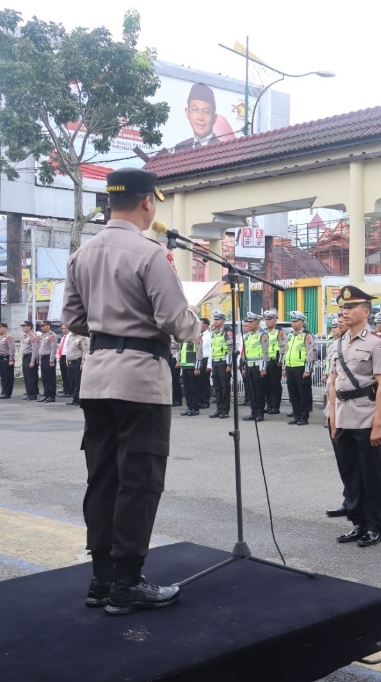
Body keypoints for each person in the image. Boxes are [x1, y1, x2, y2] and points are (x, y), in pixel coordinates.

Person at [62, 167, 201, 615]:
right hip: (141, 378)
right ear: (147, 202)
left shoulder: (84, 252)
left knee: (103, 476)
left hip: (97, 376)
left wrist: (110, 326)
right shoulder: (150, 253)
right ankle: (127, 584)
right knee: (139, 480)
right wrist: (195, 320)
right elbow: (178, 324)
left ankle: (101, 579)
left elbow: (73, 319)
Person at [328, 286, 381, 548]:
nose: (346, 311)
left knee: (370, 474)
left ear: (366, 312)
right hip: (343, 416)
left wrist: (378, 424)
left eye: (351, 307)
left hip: (366, 416)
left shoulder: (378, 343)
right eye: (344, 307)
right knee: (350, 473)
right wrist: (332, 418)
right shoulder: (339, 342)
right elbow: (333, 383)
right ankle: (357, 523)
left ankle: (375, 526)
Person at [325, 315, 354, 519]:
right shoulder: (335, 344)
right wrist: (329, 411)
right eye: (338, 320)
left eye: (344, 318)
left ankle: (356, 502)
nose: (340, 322)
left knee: (354, 461)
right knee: (342, 460)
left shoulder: (362, 343)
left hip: (352, 408)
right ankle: (348, 498)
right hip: (333, 407)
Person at [284, 311, 316, 425]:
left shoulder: (306, 335)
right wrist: (284, 367)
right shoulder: (290, 335)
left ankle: (303, 417)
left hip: (301, 368)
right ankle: (296, 415)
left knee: (304, 394)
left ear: (302, 322)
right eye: (292, 321)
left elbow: (311, 353)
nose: (293, 323)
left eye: (296, 321)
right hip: (290, 367)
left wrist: (308, 370)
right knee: (293, 394)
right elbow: (286, 351)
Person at [173, 83, 223, 152]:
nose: (200, 117)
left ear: (214, 118)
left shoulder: (222, 150)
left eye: (206, 112)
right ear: (187, 112)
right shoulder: (180, 149)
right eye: (195, 110)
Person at [240, 312, 270, 423]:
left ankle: (260, 413)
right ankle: (253, 412)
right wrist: (243, 367)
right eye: (248, 321)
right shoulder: (247, 336)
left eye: (251, 322)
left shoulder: (263, 334)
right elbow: (244, 353)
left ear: (257, 322)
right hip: (249, 366)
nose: (249, 323)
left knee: (259, 391)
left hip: (258, 367)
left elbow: (265, 352)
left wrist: (263, 368)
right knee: (251, 391)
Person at [207, 311, 233, 419]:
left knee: (224, 387)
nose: (215, 321)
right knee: (217, 387)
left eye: (217, 320)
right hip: (216, 362)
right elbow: (212, 349)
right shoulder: (214, 333)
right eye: (215, 319)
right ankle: (219, 409)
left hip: (224, 362)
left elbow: (231, 349)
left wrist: (229, 364)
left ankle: (225, 410)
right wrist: (211, 364)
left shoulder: (227, 332)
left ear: (222, 321)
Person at [262, 310, 285, 414]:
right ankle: (269, 404)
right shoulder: (263, 332)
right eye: (266, 319)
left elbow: (282, 347)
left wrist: (280, 361)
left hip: (274, 361)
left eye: (270, 319)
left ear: (275, 320)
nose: (267, 321)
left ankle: (275, 406)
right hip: (265, 361)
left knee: (275, 384)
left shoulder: (279, 332)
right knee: (266, 385)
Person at [177, 331, 203, 416]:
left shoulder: (196, 338)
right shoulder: (184, 338)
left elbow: (199, 353)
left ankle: (195, 408)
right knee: (187, 389)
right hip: (184, 367)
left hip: (192, 367)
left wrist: (197, 367)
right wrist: (179, 361)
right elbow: (181, 351)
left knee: (194, 389)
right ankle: (189, 407)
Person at [65, 331, 88, 406]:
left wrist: (82, 362)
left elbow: (85, 350)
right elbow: (68, 350)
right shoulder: (71, 337)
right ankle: (74, 397)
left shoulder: (81, 338)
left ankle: (79, 398)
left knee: (77, 380)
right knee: (71, 380)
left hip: (77, 362)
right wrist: (67, 359)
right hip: (70, 362)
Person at [37, 320, 58, 403]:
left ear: (48, 326)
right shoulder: (43, 335)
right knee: (44, 378)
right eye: (41, 326)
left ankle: (51, 396)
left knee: (50, 378)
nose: (41, 327)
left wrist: (51, 360)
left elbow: (53, 349)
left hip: (49, 358)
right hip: (43, 358)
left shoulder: (52, 335)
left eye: (43, 325)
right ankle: (46, 395)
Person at [19, 321, 40, 401]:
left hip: (30, 357)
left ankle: (33, 394)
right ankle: (29, 393)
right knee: (26, 376)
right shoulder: (25, 336)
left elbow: (34, 349)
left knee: (31, 377)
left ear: (30, 327)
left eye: (25, 326)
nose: (23, 327)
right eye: (23, 326)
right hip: (25, 357)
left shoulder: (32, 336)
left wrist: (32, 361)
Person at [198, 317, 212, 409]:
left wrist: (209, 364)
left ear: (206, 325)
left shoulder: (209, 335)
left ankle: (206, 401)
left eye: (200, 324)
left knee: (205, 381)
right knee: (199, 381)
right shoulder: (199, 335)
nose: (199, 326)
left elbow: (211, 350)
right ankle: (200, 400)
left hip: (206, 359)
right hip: (199, 359)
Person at [0, 321, 14, 399]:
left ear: (4, 328)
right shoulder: (0, 337)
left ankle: (7, 393)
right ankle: (3, 391)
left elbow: (11, 348)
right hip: (1, 358)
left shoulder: (8, 337)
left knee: (7, 376)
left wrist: (11, 359)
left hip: (6, 358)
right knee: (3, 376)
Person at [168, 338, 182, 407]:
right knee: (169, 380)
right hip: (168, 357)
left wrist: (178, 361)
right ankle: (172, 399)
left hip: (175, 358)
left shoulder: (177, 336)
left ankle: (177, 399)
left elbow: (180, 349)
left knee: (175, 379)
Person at [57, 323, 71, 397]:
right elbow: (61, 348)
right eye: (62, 328)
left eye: (65, 328)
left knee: (68, 374)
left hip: (67, 356)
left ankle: (69, 391)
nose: (63, 330)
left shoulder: (70, 337)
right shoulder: (63, 337)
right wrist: (59, 357)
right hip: (62, 356)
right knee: (63, 375)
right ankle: (65, 389)